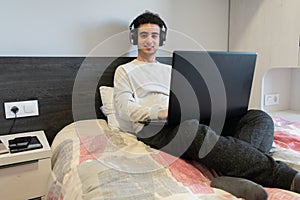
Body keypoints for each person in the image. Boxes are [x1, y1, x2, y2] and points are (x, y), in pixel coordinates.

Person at [113, 11, 300, 200]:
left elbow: (190, 96)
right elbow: (124, 109)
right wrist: (160, 113)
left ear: (161, 39)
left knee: (259, 118)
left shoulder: (171, 69)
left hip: (188, 117)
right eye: (143, 35)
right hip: (153, 126)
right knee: (192, 130)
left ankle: (231, 176)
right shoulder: (125, 71)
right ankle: (289, 178)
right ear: (134, 37)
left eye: (154, 35)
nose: (149, 40)